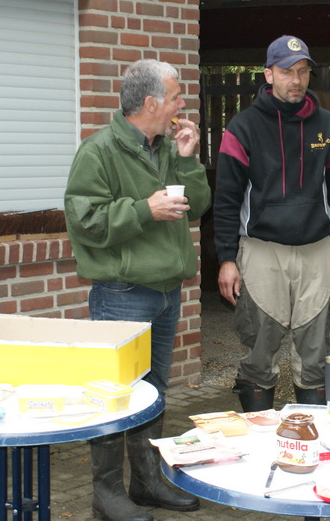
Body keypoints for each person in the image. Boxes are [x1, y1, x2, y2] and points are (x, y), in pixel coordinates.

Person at [64, 59, 211, 521]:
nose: (182, 106)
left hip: (166, 290)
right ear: (150, 103)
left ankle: (146, 482)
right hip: (121, 292)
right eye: (175, 97)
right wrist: (144, 210)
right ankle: (106, 494)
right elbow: (85, 222)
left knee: (154, 391)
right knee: (116, 394)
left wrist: (187, 159)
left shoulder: (166, 147)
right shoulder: (98, 152)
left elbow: (197, 206)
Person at [213, 35, 330, 412]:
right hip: (262, 250)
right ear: (269, 75)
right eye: (286, 72)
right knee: (260, 350)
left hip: (316, 250)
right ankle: (257, 436)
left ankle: (310, 436)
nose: (296, 80)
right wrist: (226, 258)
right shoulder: (243, 128)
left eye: (302, 71)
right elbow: (226, 199)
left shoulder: (329, 126)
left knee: (315, 354)